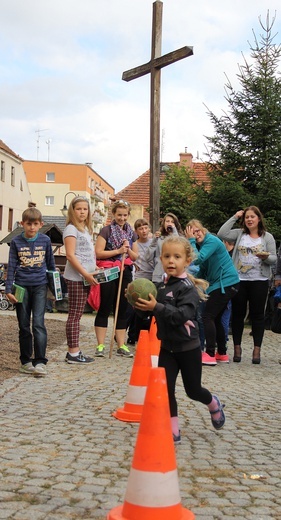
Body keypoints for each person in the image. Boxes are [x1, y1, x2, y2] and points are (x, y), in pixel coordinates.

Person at [134, 236, 226, 444]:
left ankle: (213, 403)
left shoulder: (188, 288)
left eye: (176, 256)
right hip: (167, 348)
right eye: (166, 256)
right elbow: (147, 316)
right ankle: (173, 429)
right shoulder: (158, 287)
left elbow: (179, 316)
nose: (171, 261)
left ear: (187, 260)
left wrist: (155, 307)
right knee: (166, 391)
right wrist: (136, 303)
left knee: (193, 391)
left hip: (188, 349)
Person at [217, 206, 276, 364]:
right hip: (240, 280)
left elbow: (274, 259)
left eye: (253, 217)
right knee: (238, 315)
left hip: (260, 280)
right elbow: (221, 234)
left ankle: (257, 350)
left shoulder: (267, 237)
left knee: (258, 316)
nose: (249, 220)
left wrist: (264, 257)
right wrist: (235, 216)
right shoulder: (239, 234)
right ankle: (237, 348)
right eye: (247, 217)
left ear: (258, 219)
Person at [5, 207, 56, 376]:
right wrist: (8, 289)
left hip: (40, 285)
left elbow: (51, 265)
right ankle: (26, 361)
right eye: (28, 224)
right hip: (21, 287)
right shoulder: (16, 242)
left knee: (39, 324)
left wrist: (55, 288)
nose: (32, 227)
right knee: (24, 325)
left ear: (41, 224)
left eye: (35, 224)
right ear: (22, 224)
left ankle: (40, 361)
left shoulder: (45, 240)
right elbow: (11, 266)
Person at [185, 220, 240, 366]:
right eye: (192, 233)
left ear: (204, 229)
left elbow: (198, 260)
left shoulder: (212, 241)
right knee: (214, 319)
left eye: (197, 231)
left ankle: (209, 353)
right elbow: (202, 270)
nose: (196, 235)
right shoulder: (201, 246)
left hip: (227, 283)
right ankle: (221, 353)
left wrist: (190, 240)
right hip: (222, 285)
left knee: (207, 316)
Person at [94, 200, 138, 357]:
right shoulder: (106, 231)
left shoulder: (131, 233)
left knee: (123, 308)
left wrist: (127, 249)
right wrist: (118, 250)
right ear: (114, 214)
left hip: (124, 270)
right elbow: (98, 252)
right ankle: (100, 345)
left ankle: (121, 344)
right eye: (119, 215)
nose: (122, 218)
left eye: (125, 215)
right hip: (109, 270)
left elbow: (135, 256)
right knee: (105, 307)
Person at [63, 196, 98, 364]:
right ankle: (73, 353)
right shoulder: (71, 229)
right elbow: (70, 255)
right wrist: (85, 273)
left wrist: (94, 269)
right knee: (75, 316)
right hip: (77, 277)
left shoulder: (85, 229)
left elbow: (85, 254)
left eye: (85, 209)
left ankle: (75, 351)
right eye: (79, 209)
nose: (82, 212)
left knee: (77, 315)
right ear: (73, 210)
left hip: (86, 277)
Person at [126, 218, 154, 344]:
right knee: (138, 309)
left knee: (151, 308)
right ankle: (133, 335)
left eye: (145, 228)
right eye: (141, 229)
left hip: (153, 276)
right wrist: (127, 249)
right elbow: (134, 256)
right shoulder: (136, 244)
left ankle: (149, 333)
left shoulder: (153, 241)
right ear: (136, 231)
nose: (144, 231)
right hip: (140, 277)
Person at [145, 212, 183, 287]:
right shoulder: (158, 238)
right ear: (163, 223)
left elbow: (178, 247)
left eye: (172, 222)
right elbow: (147, 257)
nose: (169, 223)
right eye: (167, 221)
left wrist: (173, 232)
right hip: (158, 277)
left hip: (174, 276)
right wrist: (155, 240)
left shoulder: (180, 238)